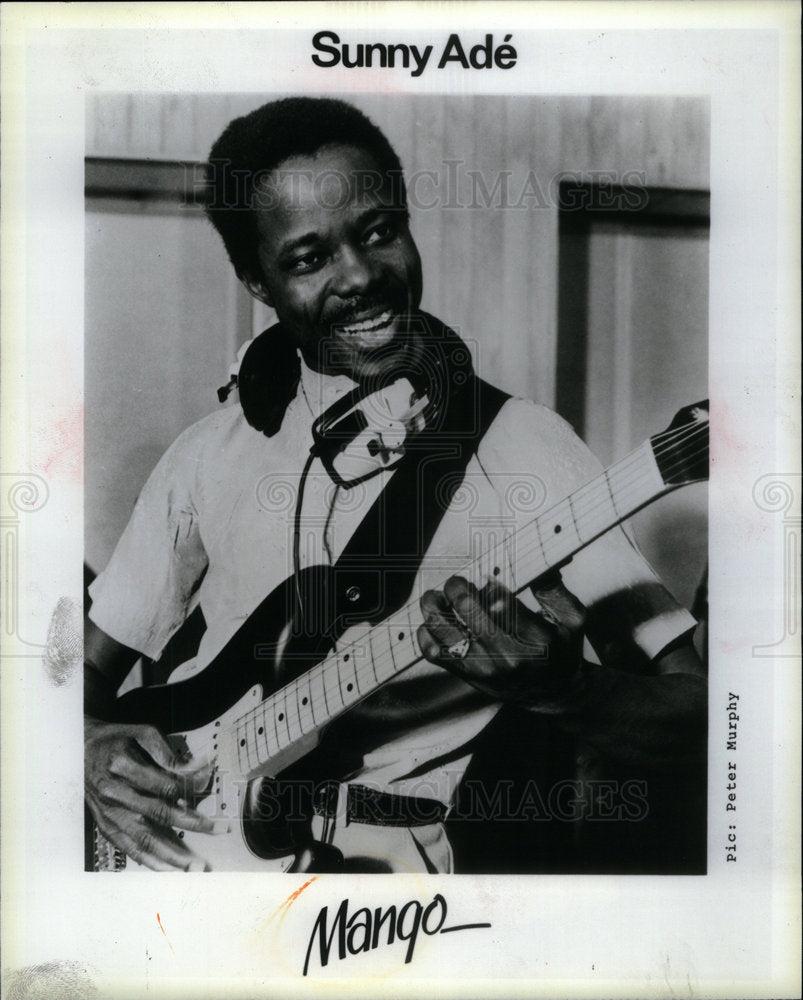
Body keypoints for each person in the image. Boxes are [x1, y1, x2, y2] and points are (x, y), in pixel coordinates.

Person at [84, 97, 707, 874]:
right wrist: (83, 744)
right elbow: (70, 666)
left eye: (379, 232)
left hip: (392, 890)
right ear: (255, 280)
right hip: (181, 860)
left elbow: (705, 730)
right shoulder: (206, 451)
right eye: (308, 258)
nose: (360, 276)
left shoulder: (526, 446)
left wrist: (568, 690)